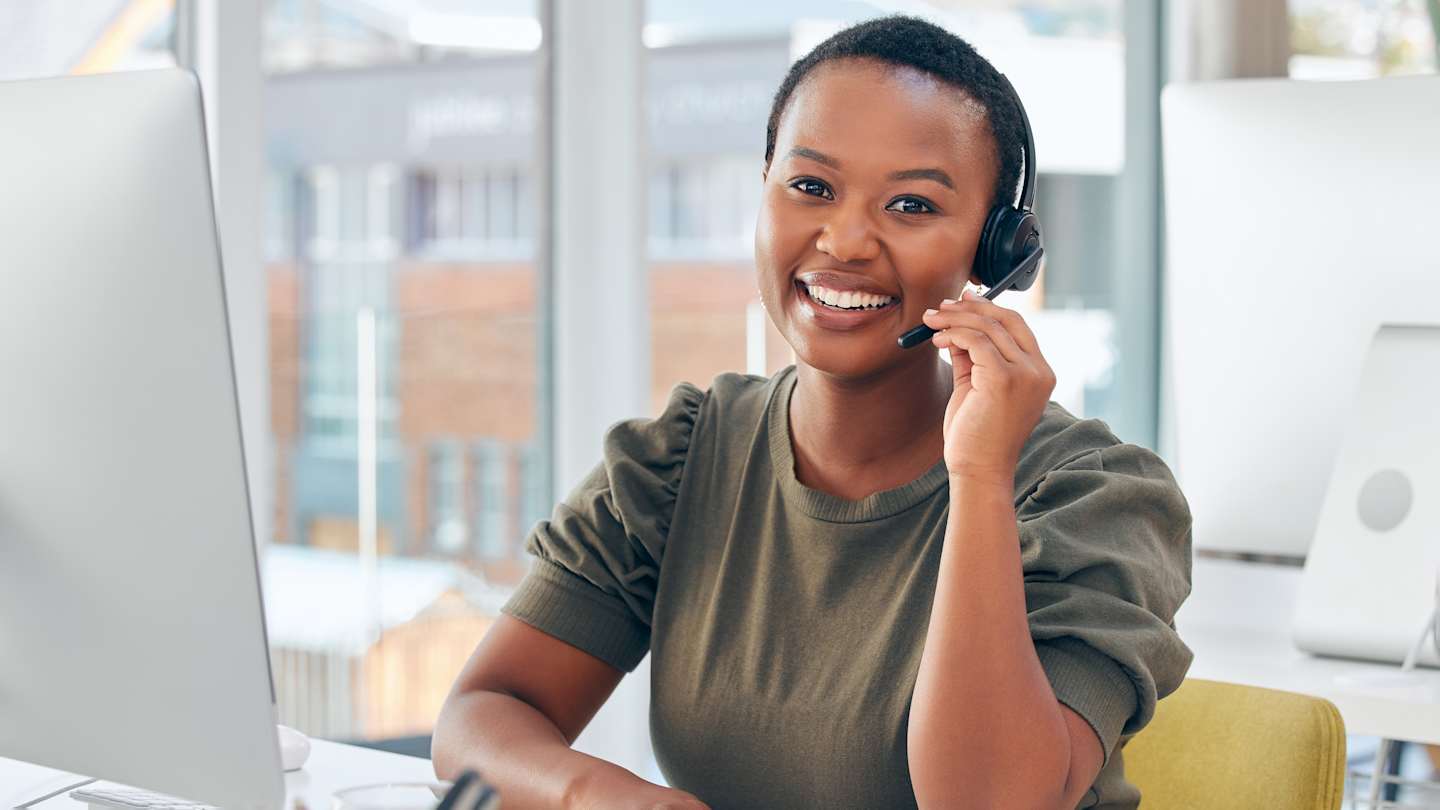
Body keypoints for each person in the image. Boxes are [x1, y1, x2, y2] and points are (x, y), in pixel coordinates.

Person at [433, 14, 1192, 810]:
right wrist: (601, 795)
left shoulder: (1095, 497)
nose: (846, 240)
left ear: (995, 253)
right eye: (811, 187)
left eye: (910, 205)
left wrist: (979, 475)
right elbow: (482, 717)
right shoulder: (685, 455)